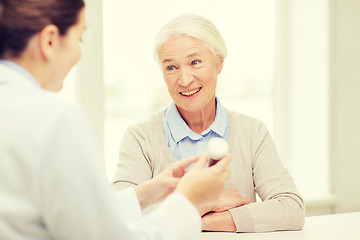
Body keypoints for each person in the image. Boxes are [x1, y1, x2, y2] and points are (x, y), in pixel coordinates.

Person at [0, 2, 231, 239]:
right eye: (80, 38)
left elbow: (77, 217)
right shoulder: (55, 121)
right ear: (50, 41)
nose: (80, 53)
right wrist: (187, 201)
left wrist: (144, 195)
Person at [113, 14, 305, 232]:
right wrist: (209, 205)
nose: (185, 80)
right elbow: (117, 215)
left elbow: (291, 209)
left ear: (219, 62)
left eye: (195, 62)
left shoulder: (252, 132)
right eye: (171, 67)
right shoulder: (140, 138)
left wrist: (195, 220)